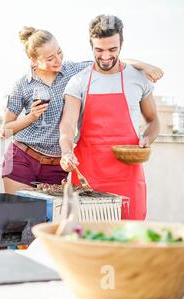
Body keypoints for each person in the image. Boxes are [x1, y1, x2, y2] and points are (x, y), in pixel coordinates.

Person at [2, 26, 163, 195]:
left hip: (57, 165)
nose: (58, 60)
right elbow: (5, 130)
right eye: (50, 58)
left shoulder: (73, 72)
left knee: (47, 217)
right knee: (17, 216)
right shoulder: (21, 85)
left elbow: (107, 60)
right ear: (33, 60)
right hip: (22, 158)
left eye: (59, 52)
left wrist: (144, 66)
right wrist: (30, 117)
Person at [59, 15, 160, 220]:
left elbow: (153, 120)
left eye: (112, 49)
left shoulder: (137, 78)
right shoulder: (79, 81)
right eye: (99, 50)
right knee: (86, 238)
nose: (105, 56)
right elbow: (67, 126)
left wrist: (147, 138)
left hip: (128, 176)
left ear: (121, 44)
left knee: (129, 238)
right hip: (88, 175)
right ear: (91, 46)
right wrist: (66, 152)